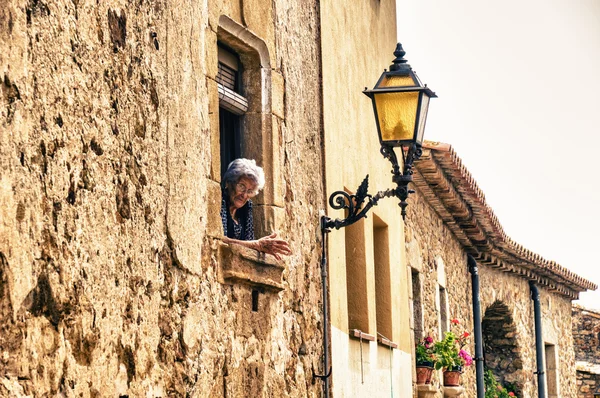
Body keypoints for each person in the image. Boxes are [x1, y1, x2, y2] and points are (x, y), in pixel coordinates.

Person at [221, 158, 291, 260]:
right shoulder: (221, 200)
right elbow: (220, 239)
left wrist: (258, 246)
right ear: (229, 183)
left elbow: (249, 241)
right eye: (241, 186)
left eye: (250, 191)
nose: (244, 195)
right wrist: (256, 245)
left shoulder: (247, 207)